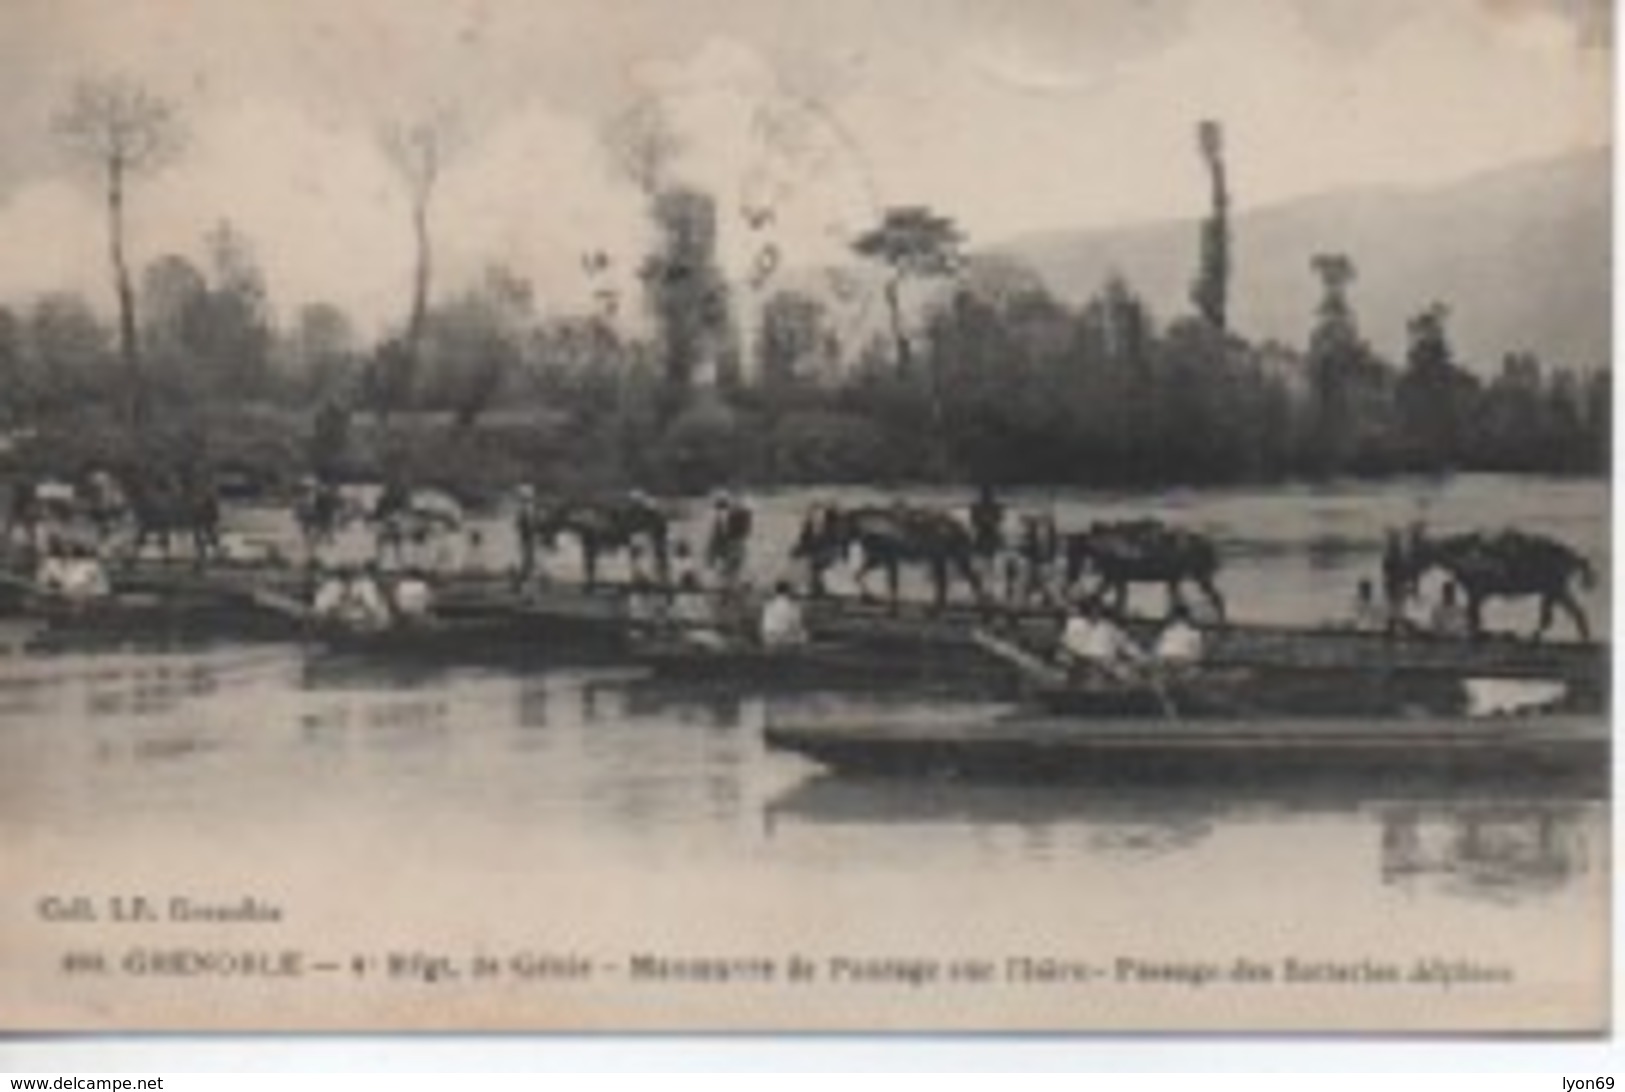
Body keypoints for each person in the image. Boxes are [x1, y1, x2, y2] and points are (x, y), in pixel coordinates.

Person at [1058, 597, 1146, 682]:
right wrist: (1091, 663)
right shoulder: (1074, 625)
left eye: (1098, 609)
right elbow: (1068, 649)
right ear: (1085, 610)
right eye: (1092, 609)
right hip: (1084, 669)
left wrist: (1139, 658)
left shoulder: (1108, 627)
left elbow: (1126, 645)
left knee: (1126, 674)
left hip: (1108, 669)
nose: (1095, 612)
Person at [669, 572, 728, 650]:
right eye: (689, 581)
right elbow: (676, 617)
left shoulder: (700, 596)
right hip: (690, 630)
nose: (692, 583)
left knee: (721, 644)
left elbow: (708, 614)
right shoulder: (679, 598)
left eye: (693, 580)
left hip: (705, 628)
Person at [1153, 601, 1205, 676]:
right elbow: (1198, 654)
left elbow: (1159, 650)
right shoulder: (1194, 632)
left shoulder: (1168, 630)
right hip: (1185, 662)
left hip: (1167, 660)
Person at [759, 581, 809, 650]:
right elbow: (797, 625)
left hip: (771, 638)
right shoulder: (794, 606)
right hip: (788, 637)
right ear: (788, 591)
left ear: (775, 591)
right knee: (804, 635)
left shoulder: (768, 605)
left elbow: (765, 626)